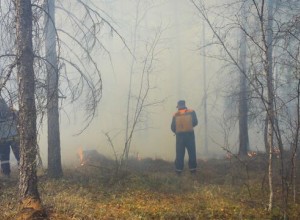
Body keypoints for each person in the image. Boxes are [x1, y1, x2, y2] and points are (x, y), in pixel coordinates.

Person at [171, 100, 198, 175]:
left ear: (178, 106)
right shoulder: (192, 111)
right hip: (190, 136)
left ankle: (178, 172)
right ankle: (193, 171)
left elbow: (172, 127)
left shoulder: (175, 114)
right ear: (185, 105)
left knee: (179, 154)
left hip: (180, 138)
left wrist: (177, 131)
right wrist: (188, 127)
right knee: (192, 153)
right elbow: (195, 122)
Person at [0, 98, 19, 177]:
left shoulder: (13, 112)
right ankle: (23, 173)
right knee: (20, 156)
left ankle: (6, 174)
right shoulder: (13, 112)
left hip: (3, 140)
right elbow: (20, 119)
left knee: (4, 159)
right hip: (15, 138)